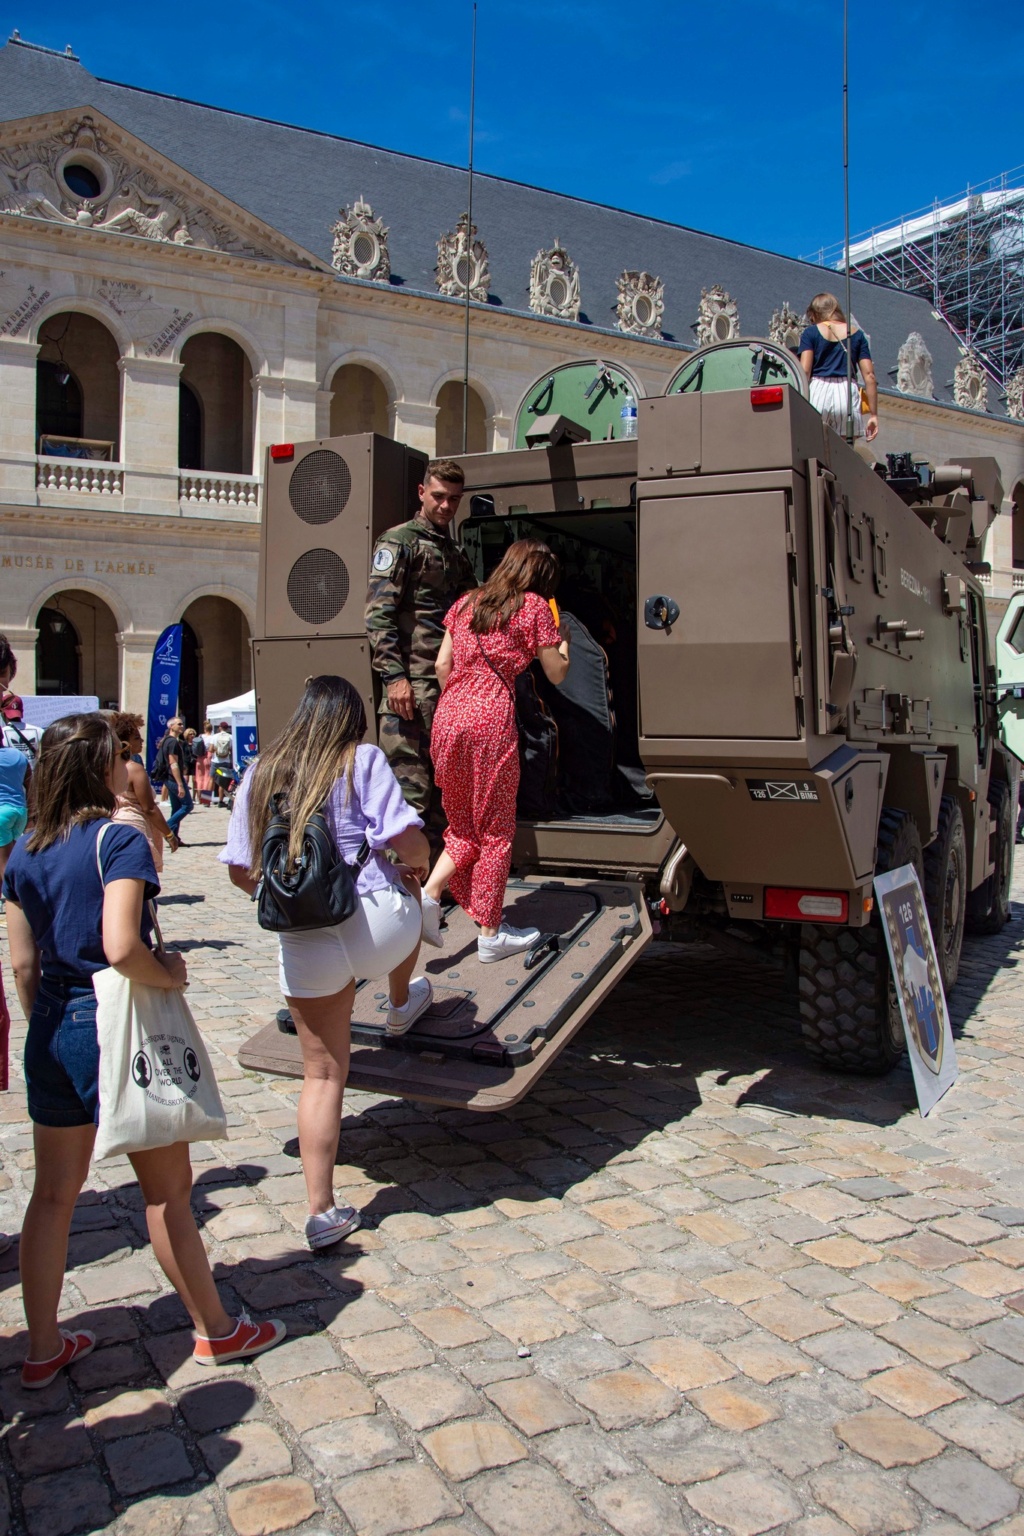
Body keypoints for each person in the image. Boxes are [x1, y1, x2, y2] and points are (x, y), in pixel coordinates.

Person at [2, 713, 284, 1386]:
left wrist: (47, 1022)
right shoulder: (117, 842)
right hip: (110, 1021)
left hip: (50, 1025)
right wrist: (172, 974)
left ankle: (42, 1346)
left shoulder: (24, 852)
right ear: (101, 770)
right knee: (166, 1195)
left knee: (51, 1199)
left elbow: (22, 964)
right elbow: (122, 944)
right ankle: (216, 1330)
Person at [221, 676, 431, 1249]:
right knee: (415, 895)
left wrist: (288, 890)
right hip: (373, 925)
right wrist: (418, 862)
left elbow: (240, 871)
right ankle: (401, 997)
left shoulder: (262, 771)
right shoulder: (361, 760)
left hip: (304, 937)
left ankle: (321, 1212)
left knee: (321, 1075)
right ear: (351, 720)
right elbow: (407, 844)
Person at [423, 540, 571, 962]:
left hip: (449, 714)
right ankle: (490, 934)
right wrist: (565, 645)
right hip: (491, 718)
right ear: (539, 578)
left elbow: (440, 666)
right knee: (495, 830)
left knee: (463, 825)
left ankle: (429, 896)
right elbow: (555, 674)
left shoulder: (466, 602)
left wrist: (461, 699)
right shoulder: (536, 608)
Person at [365, 458, 477, 852]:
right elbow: (379, 616)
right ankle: (402, 894)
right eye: (439, 497)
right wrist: (394, 678)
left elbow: (470, 609)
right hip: (411, 690)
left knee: (445, 793)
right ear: (422, 493)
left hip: (448, 686)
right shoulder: (400, 542)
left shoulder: (455, 552)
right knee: (408, 796)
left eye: (455, 500)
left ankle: (431, 893)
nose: (447, 506)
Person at [799, 293, 878, 442]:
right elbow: (870, 376)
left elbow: (804, 371)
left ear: (815, 313)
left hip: (817, 391)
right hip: (846, 393)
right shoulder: (857, 335)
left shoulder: (810, 333)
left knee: (815, 448)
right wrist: (874, 415)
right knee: (843, 453)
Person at [110, 712, 177, 868]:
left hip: (111, 825)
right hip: (134, 827)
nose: (141, 741)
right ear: (124, 742)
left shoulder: (106, 767)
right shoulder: (134, 769)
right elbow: (149, 808)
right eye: (136, 738)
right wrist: (169, 834)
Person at [156, 717, 193, 843]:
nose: (182, 726)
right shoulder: (172, 742)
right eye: (179, 724)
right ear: (171, 726)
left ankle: (174, 837)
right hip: (173, 778)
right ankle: (166, 828)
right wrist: (180, 784)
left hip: (168, 777)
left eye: (182, 724)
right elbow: (173, 764)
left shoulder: (167, 740)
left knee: (176, 808)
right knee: (188, 805)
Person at [211, 721, 235, 807]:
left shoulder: (214, 737)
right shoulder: (231, 737)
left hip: (215, 761)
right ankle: (221, 801)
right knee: (223, 782)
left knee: (212, 779)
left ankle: (208, 799)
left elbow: (210, 749)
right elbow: (232, 750)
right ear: (227, 728)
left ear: (220, 728)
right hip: (226, 761)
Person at [193, 720, 213, 806]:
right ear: (211, 729)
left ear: (204, 729)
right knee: (207, 778)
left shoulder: (200, 736)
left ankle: (199, 799)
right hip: (208, 756)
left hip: (199, 758)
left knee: (199, 778)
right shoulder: (212, 737)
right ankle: (206, 800)